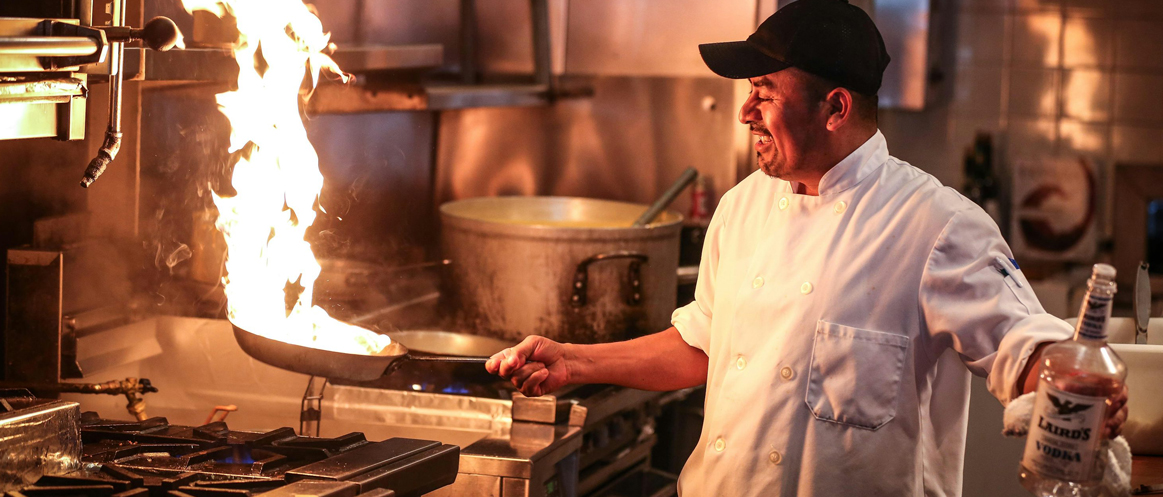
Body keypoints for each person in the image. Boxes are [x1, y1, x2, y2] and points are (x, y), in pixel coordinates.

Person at [485, 0, 1128, 495]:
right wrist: (574, 361)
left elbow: (1025, 344)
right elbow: (704, 345)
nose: (745, 112)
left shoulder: (934, 225)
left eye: (764, 93)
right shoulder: (741, 207)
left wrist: (1069, 375)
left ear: (835, 107)